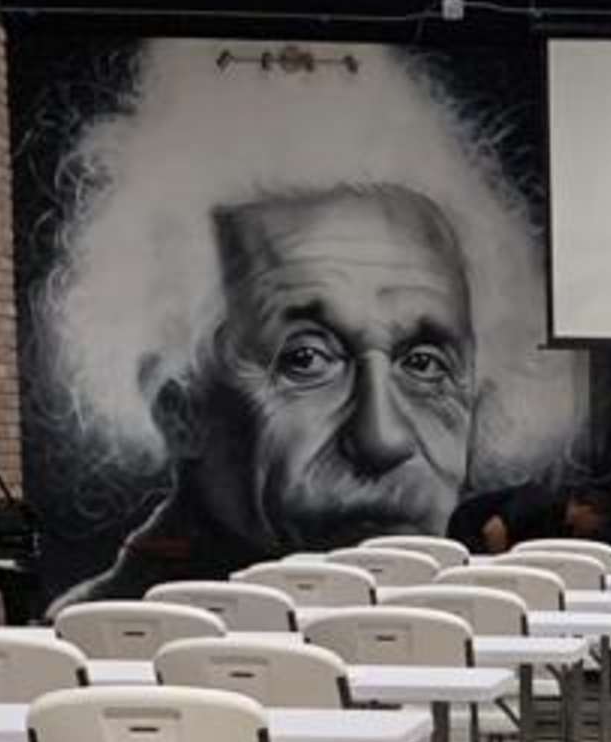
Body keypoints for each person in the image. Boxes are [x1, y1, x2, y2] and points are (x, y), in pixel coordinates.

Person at [67, 182, 484, 598]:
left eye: (424, 364)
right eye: (305, 359)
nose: (383, 439)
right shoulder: (109, 629)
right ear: (179, 412)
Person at [447, 478, 611, 558]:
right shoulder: (540, 501)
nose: (594, 530)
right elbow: (494, 530)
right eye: (596, 524)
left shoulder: (563, 528)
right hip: (469, 530)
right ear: (587, 510)